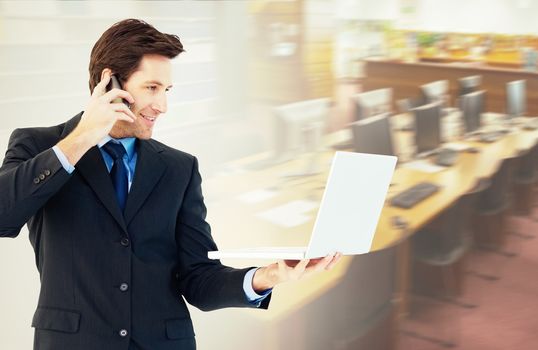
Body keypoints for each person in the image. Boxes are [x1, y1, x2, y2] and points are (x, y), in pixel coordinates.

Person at [0, 19, 341, 350]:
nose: (162, 106)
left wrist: (266, 277)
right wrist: (84, 137)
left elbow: (198, 279)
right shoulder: (39, 146)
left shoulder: (179, 168)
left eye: (166, 90)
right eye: (151, 88)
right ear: (110, 82)